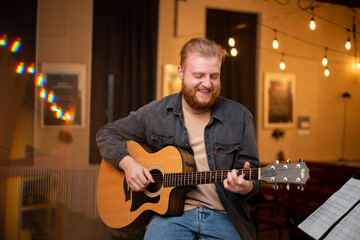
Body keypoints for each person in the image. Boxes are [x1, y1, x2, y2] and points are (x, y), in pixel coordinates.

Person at [96, 37, 260, 240]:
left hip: (225, 216)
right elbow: (106, 134)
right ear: (181, 72)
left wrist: (247, 185)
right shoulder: (156, 113)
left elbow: (252, 172)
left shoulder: (240, 116)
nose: (207, 84)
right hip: (171, 216)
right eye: (199, 75)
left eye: (214, 76)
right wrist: (128, 163)